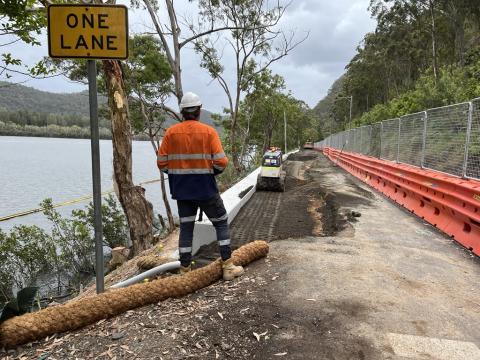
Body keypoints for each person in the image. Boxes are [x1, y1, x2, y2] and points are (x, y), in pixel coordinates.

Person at [157, 92, 244, 281]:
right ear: (198, 110)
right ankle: (228, 267)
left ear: (182, 112)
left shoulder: (171, 133)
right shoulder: (208, 132)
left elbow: (162, 163)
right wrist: (210, 172)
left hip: (182, 192)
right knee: (221, 222)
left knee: (186, 228)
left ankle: (184, 270)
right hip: (206, 190)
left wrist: (178, 175)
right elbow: (221, 162)